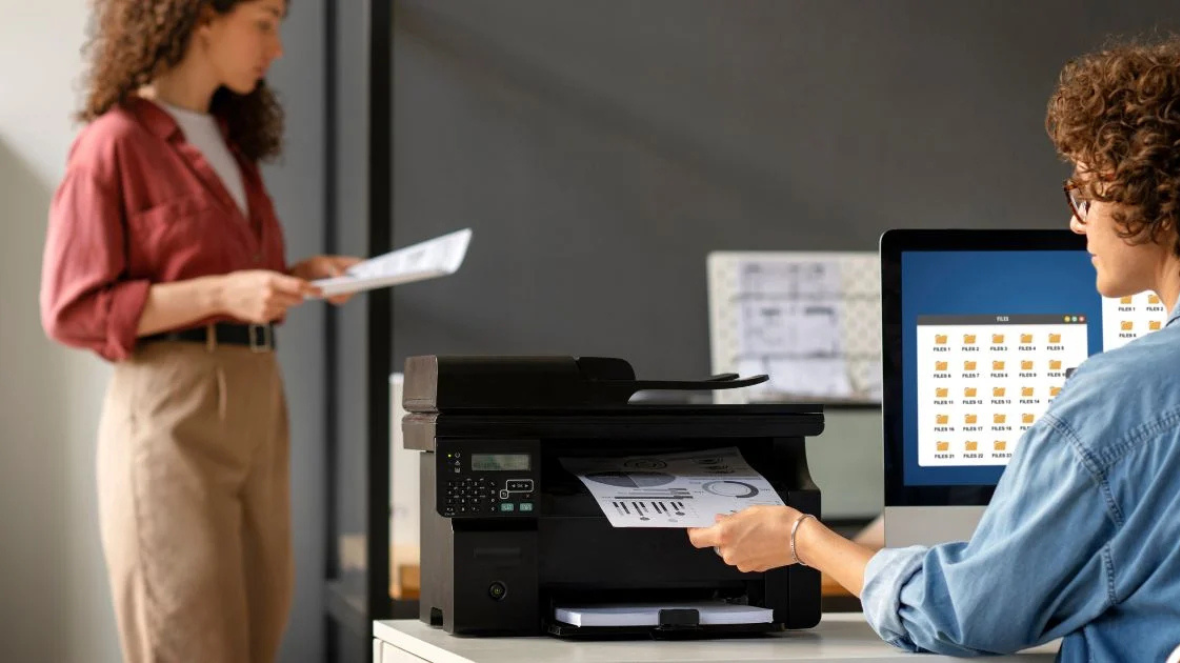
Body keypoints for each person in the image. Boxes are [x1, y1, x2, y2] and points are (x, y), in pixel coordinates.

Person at [688, 36, 1180, 662]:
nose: (1077, 223)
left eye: (1086, 194)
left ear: (1152, 200)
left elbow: (965, 615)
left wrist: (800, 537)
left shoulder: (1117, 404)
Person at [39, 1, 357, 661]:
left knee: (258, 632)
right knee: (187, 643)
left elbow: (229, 278)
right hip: (172, 412)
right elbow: (71, 308)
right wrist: (223, 291)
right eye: (264, 23)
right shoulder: (115, 141)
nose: (277, 48)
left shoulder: (227, 141)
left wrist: (299, 274)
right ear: (200, 19)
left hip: (257, 403)